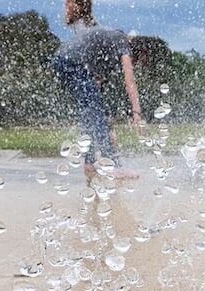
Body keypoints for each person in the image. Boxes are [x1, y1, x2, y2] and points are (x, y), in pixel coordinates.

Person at [53, 0, 142, 179]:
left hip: (61, 60)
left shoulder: (105, 43)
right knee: (95, 111)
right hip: (70, 61)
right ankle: (113, 164)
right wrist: (137, 113)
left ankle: (89, 163)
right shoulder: (122, 42)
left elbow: (97, 83)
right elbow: (129, 80)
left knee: (90, 112)